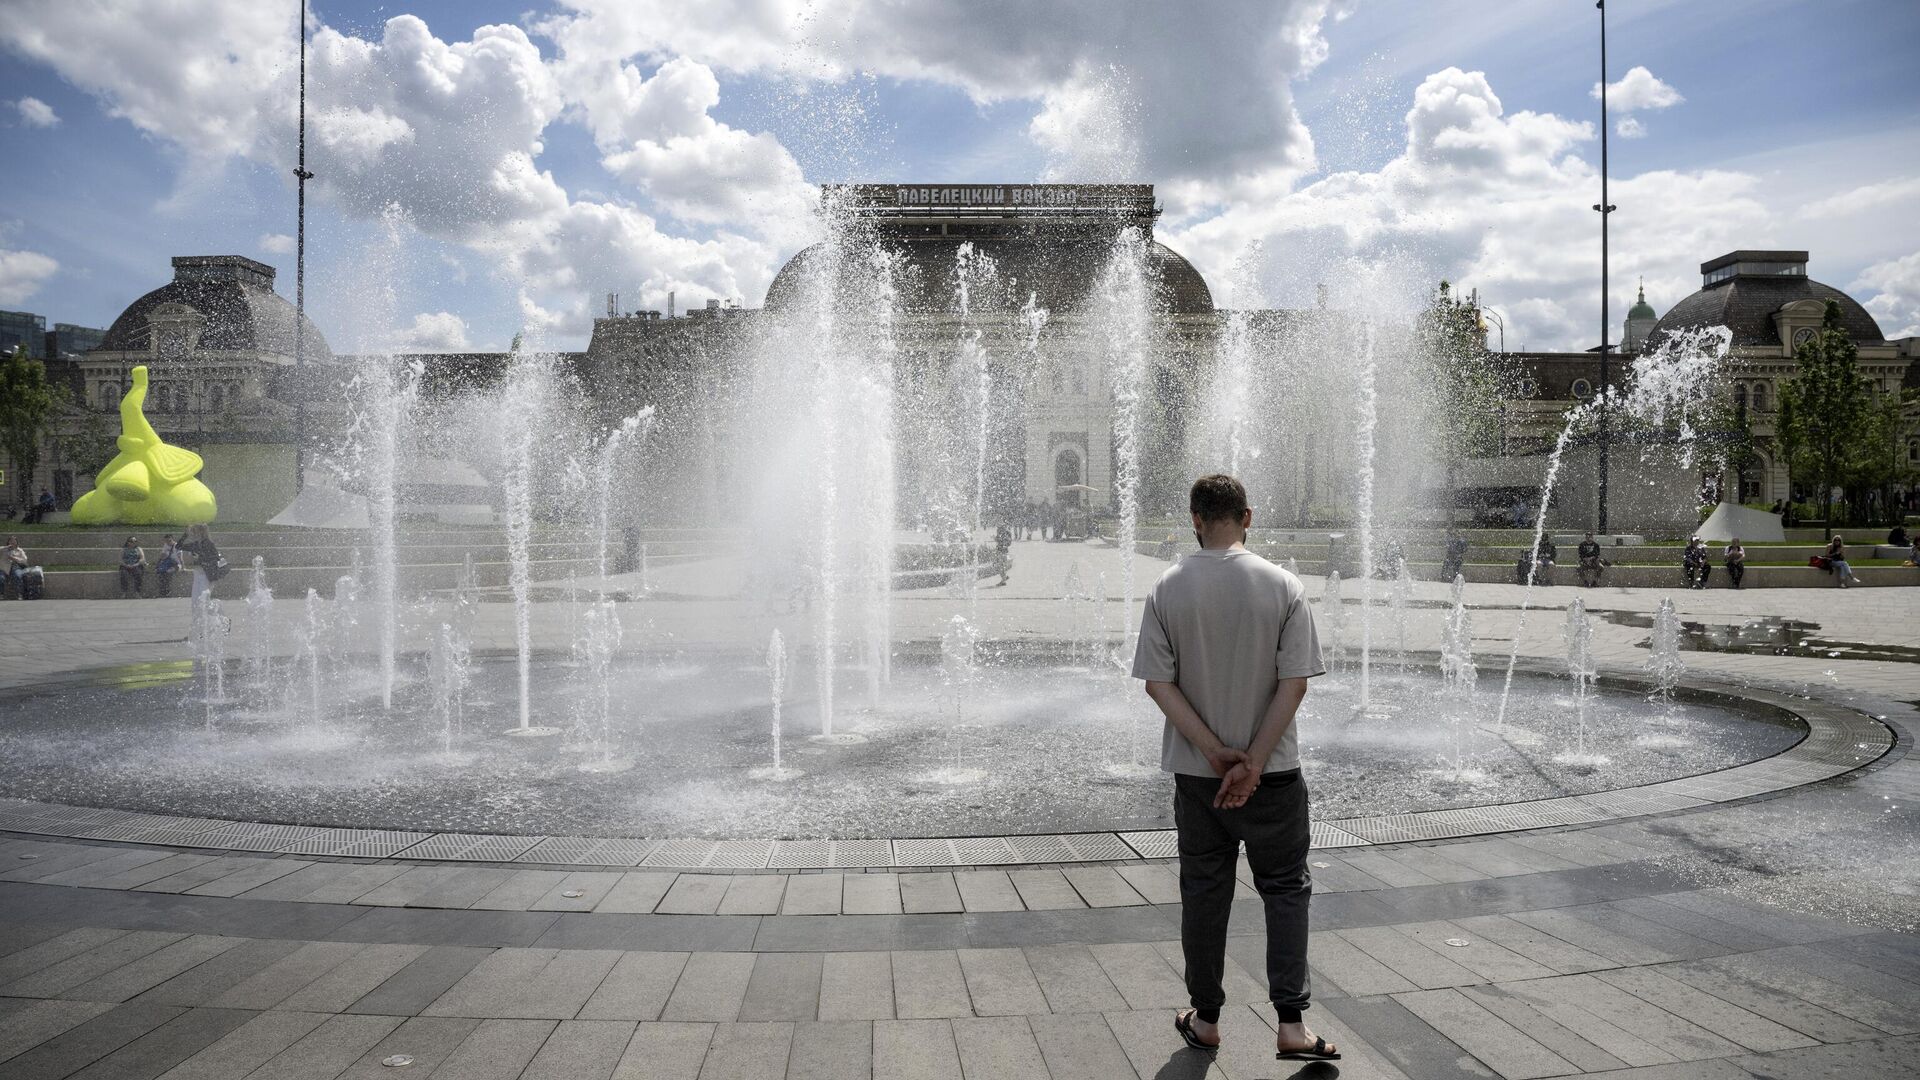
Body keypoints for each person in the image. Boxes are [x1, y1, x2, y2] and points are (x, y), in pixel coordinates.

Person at [1133, 474, 1337, 1063]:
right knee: (1286, 890)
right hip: (1272, 776)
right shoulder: (1284, 586)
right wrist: (1252, 760)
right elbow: (1294, 685)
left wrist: (1215, 753)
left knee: (1204, 890)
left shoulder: (1166, 589)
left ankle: (1208, 1019)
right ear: (1248, 516)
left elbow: (1158, 686)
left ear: (1194, 518)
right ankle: (1292, 1026)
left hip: (1199, 778)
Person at [993, 520, 1013, 586]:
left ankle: (1003, 580)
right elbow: (1009, 543)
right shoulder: (1008, 532)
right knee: (1002, 565)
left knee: (1000, 565)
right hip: (1004, 550)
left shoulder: (1002, 532)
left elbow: (1000, 540)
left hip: (1001, 550)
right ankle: (1005, 577)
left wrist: (995, 538)